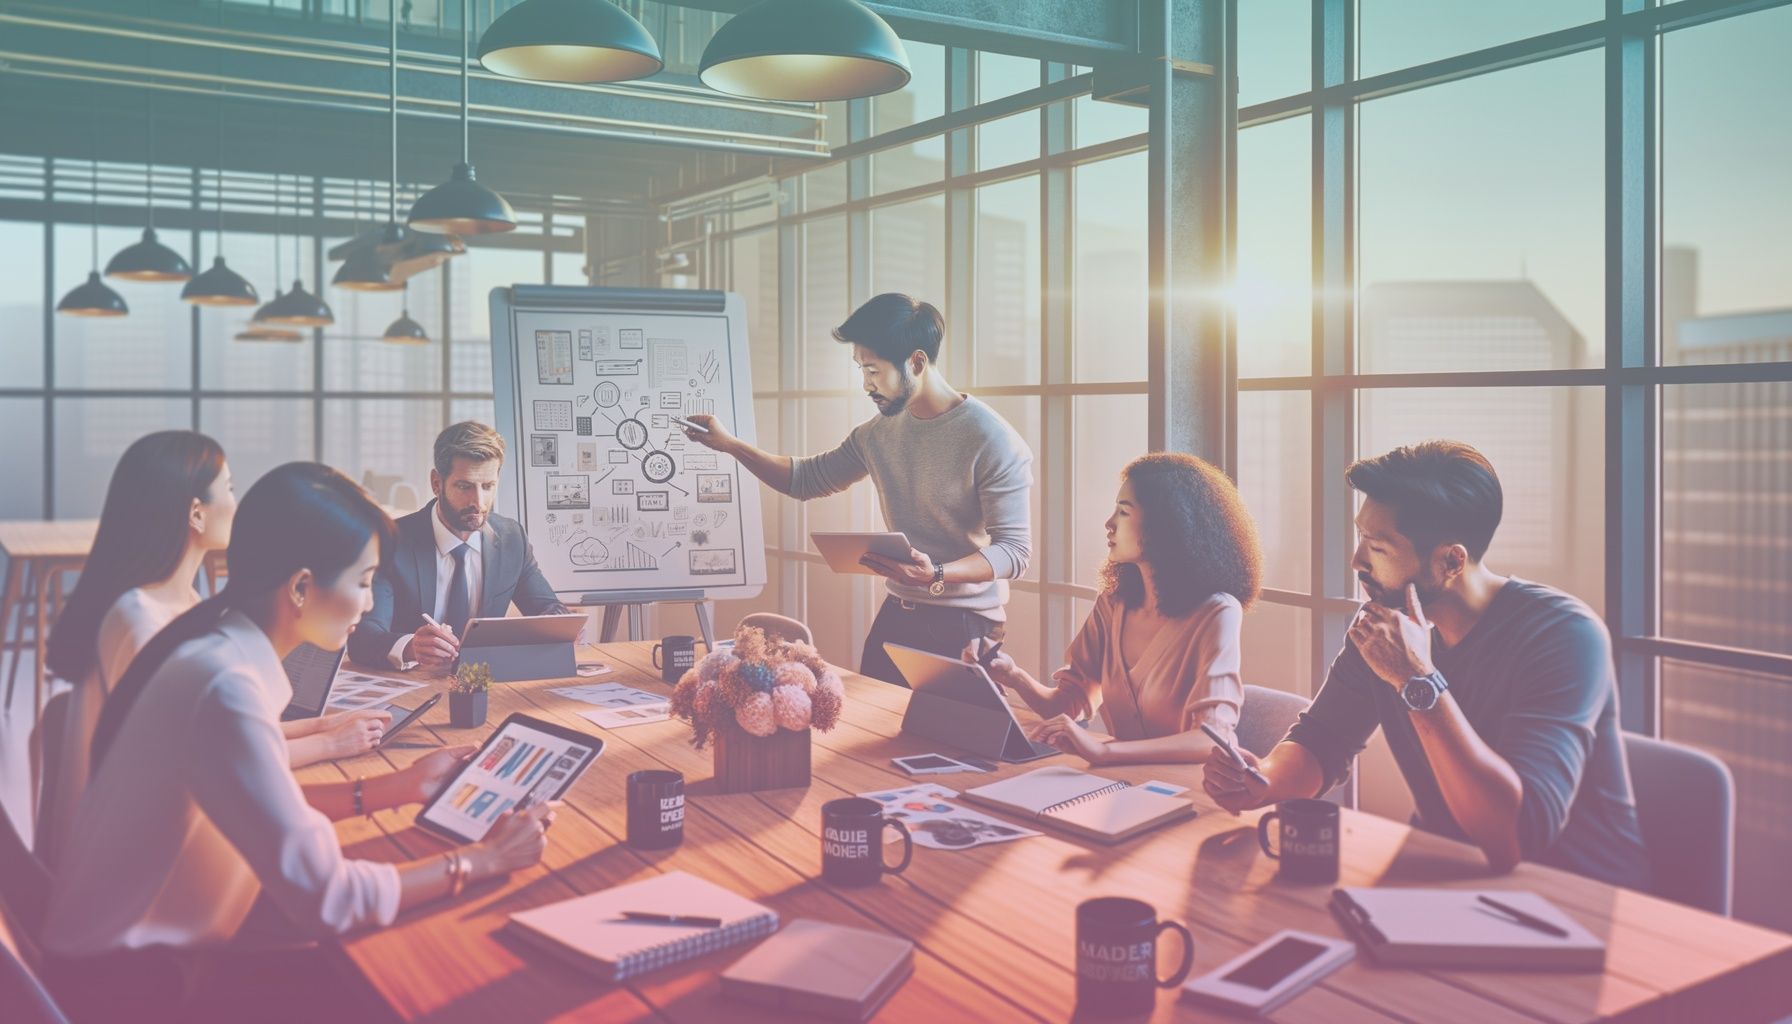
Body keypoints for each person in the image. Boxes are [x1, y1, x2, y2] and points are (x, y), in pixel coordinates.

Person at [40, 463, 554, 1024]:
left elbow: (251, 803)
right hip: (136, 989)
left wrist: (399, 787)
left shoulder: (218, 650)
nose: (366, 604)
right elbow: (330, 900)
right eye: (362, 581)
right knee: (432, 981)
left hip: (141, 955)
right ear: (303, 587)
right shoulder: (225, 687)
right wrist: (483, 858)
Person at [1203, 441, 1652, 888]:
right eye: (1361, 537)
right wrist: (1263, 778)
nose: (1357, 560)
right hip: (1448, 875)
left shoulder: (1563, 635)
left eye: (1378, 547)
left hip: (1571, 894)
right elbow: (1321, 740)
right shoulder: (1383, 628)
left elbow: (1515, 836)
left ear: (1451, 560)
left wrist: (1417, 678)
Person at [41, 432, 385, 866]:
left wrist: (322, 728)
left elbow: (218, 737)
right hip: (126, 856)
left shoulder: (184, 603)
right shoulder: (140, 620)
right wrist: (331, 745)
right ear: (196, 513)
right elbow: (211, 758)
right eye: (230, 490)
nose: (238, 508)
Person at [683, 293, 1032, 685]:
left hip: (966, 622)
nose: (866, 384)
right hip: (899, 611)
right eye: (861, 370)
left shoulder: (991, 439)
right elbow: (803, 480)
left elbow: (1014, 553)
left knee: (948, 742)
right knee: (870, 734)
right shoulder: (878, 433)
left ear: (916, 362)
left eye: (873, 370)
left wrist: (935, 573)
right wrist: (730, 445)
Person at [968, 453, 1260, 766]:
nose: (1109, 524)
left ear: (1166, 523)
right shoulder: (1113, 604)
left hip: (1189, 792)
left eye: (1123, 512)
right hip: (1120, 785)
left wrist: (1104, 751)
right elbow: (1070, 705)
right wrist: (1013, 676)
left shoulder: (1217, 612)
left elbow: (1212, 739)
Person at [346, 421, 570, 672]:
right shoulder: (390, 540)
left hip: (484, 681)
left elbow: (546, 609)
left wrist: (558, 621)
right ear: (436, 483)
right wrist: (412, 647)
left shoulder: (511, 538)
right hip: (412, 682)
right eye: (464, 486)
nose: (479, 502)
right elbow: (363, 638)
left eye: (488, 486)